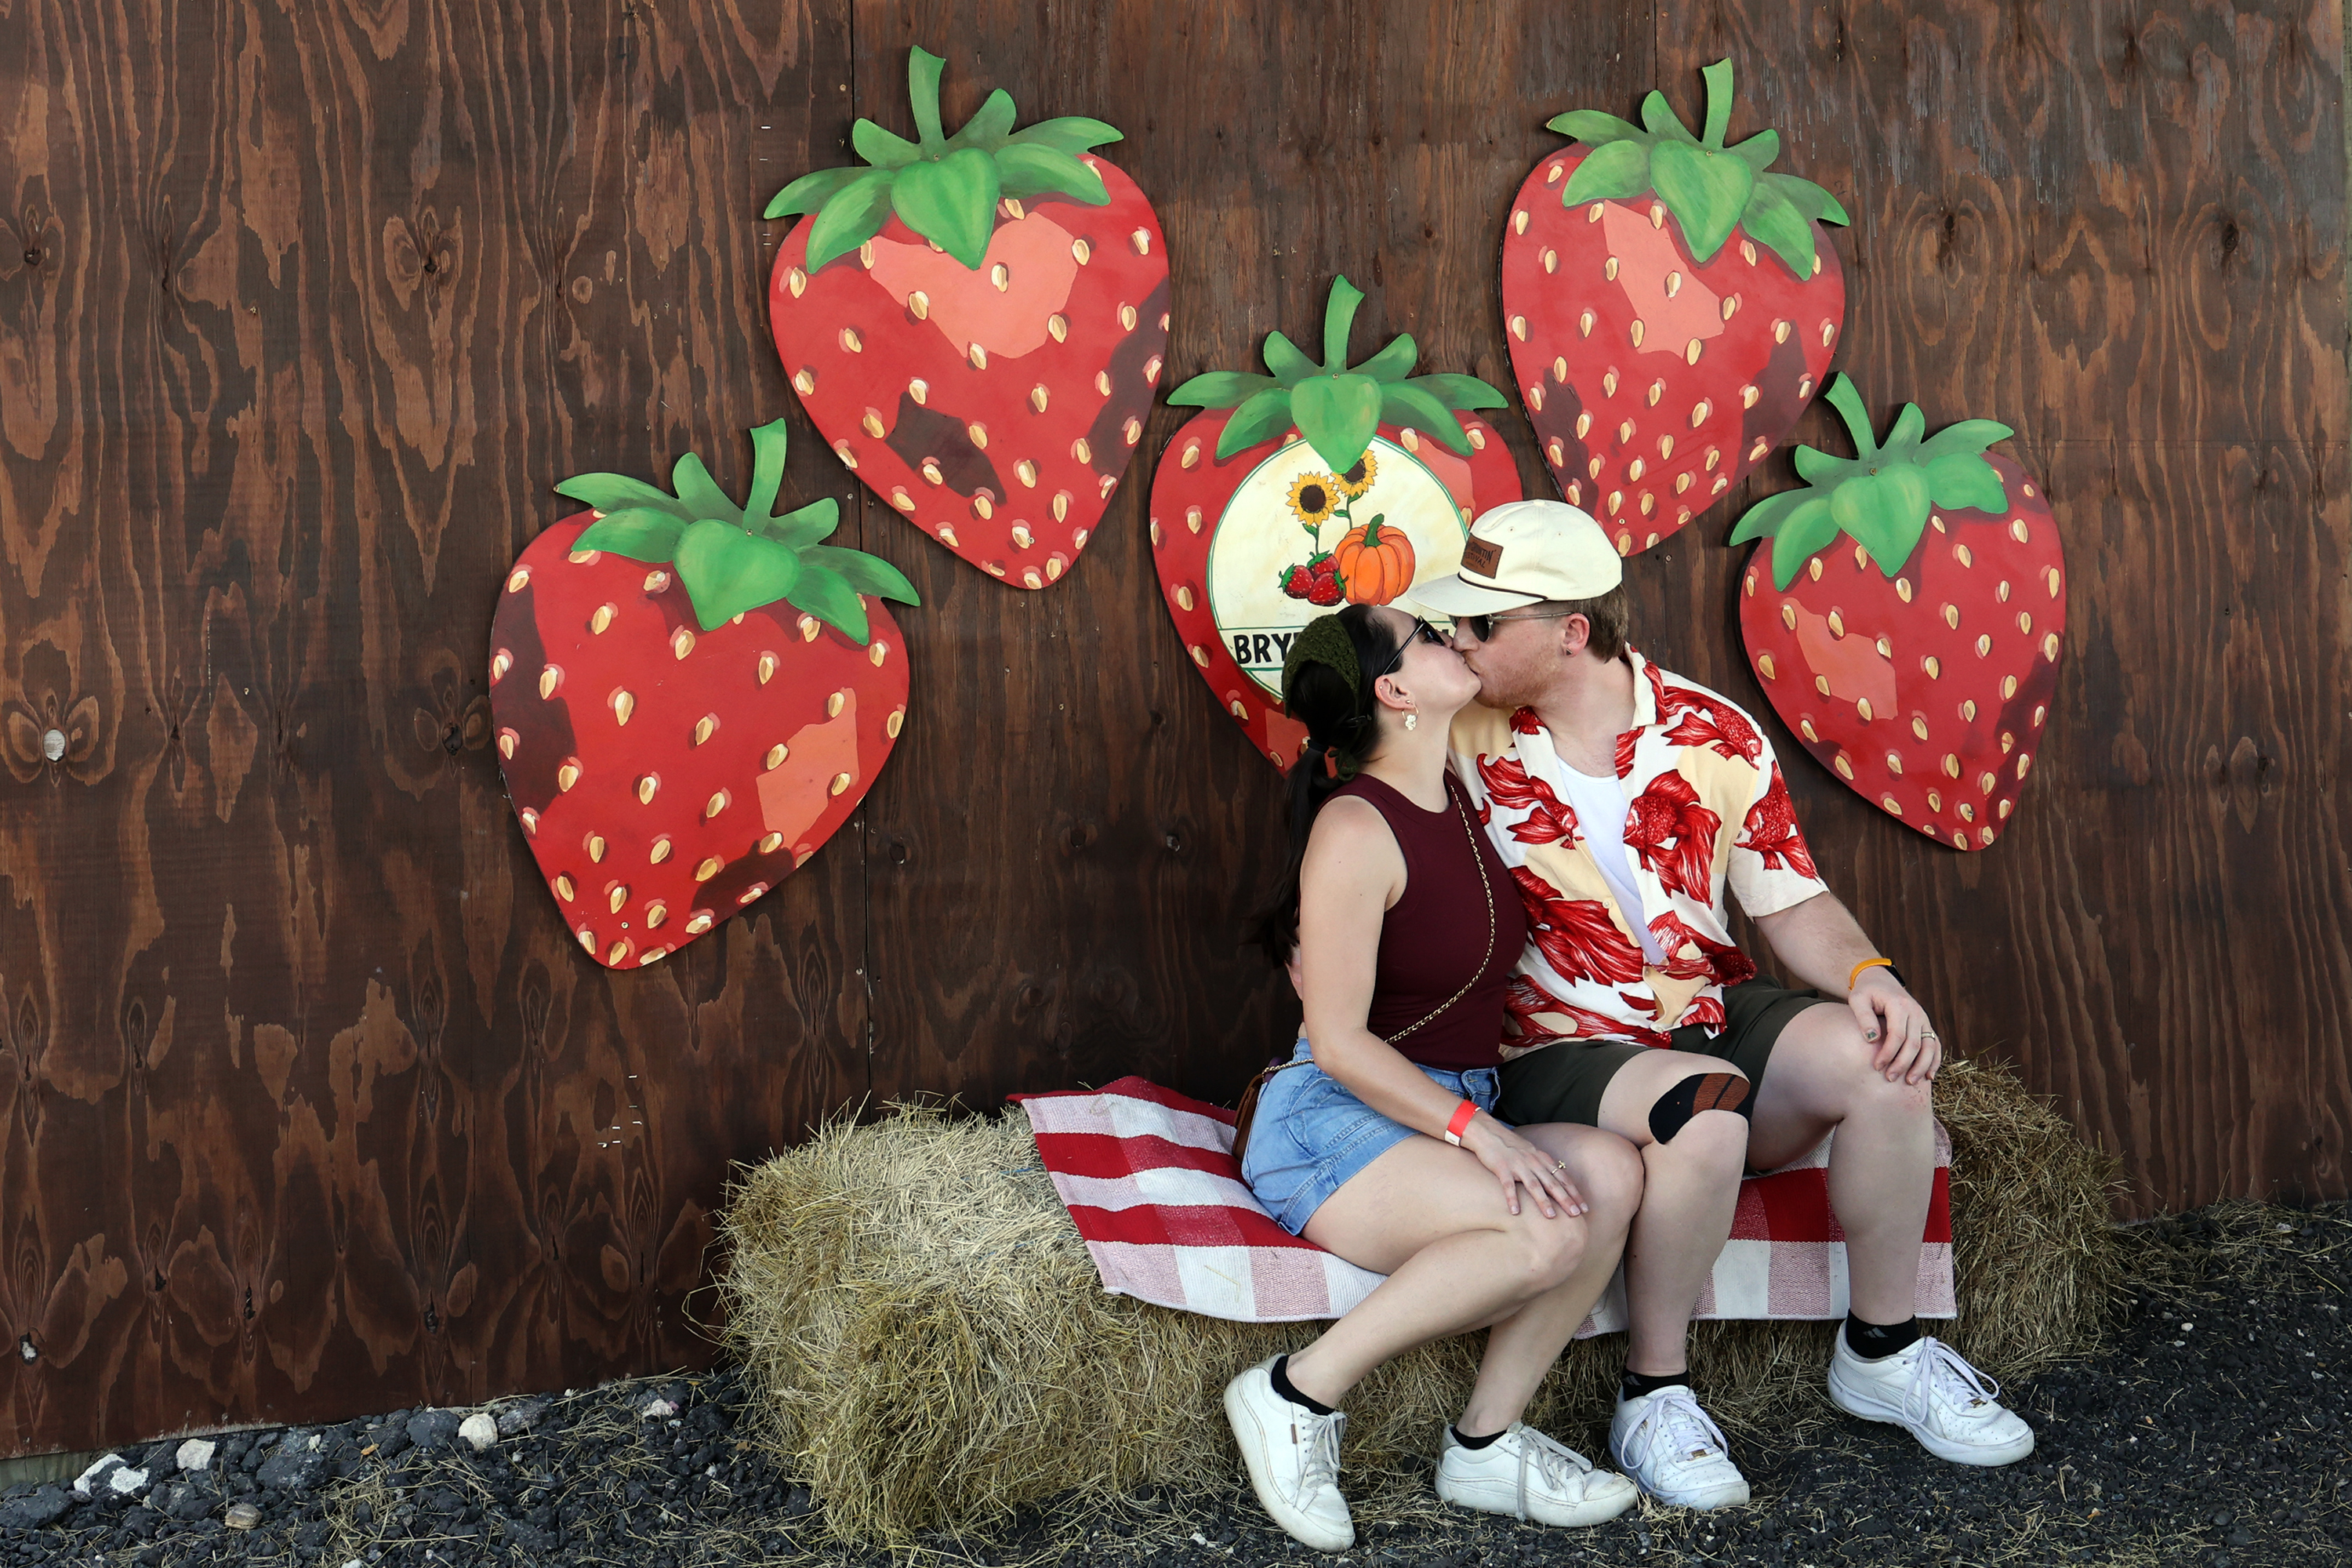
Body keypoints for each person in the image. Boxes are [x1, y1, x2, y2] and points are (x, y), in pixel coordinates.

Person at [1408, 499, 2035, 1512]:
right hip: (1558, 1042)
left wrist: (1873, 976)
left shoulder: (1715, 733)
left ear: (1571, 632)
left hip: (1703, 1009)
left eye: (1483, 623)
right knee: (1700, 1114)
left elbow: (1791, 902)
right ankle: (1654, 1393)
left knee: (1886, 1066)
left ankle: (1882, 1348)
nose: (1458, 638)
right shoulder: (1452, 730)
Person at [1225, 604, 1646, 1551]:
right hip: (1336, 1117)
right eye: (1424, 634)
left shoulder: (1454, 786)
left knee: (1613, 1177)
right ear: (1394, 689)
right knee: (1546, 1230)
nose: (1454, 635)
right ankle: (1293, 1393)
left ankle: (1485, 1444)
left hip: (1445, 1104)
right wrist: (1478, 1129)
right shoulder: (1356, 826)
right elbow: (1336, 1040)